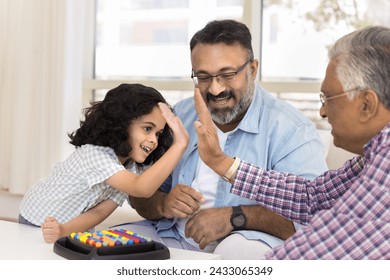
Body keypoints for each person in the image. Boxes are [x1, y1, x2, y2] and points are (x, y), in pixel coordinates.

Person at [119, 20, 328, 259]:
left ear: (252, 69)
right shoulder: (180, 116)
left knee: (236, 251)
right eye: (204, 77)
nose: (216, 89)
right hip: (171, 239)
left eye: (227, 75)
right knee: (100, 250)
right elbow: (138, 192)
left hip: (243, 248)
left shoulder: (292, 130)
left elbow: (316, 220)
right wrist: (162, 204)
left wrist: (235, 217)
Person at [193, 26, 390, 259]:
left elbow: (308, 257)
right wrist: (222, 163)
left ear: (367, 104)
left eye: (328, 98)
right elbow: (311, 198)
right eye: (204, 77)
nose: (323, 111)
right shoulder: (373, 155)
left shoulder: (385, 168)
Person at [19, 83, 189, 243]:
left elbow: (99, 212)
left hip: (64, 225)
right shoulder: (95, 155)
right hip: (38, 217)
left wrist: (64, 230)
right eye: (147, 129)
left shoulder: (130, 169)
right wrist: (180, 144)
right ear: (122, 124)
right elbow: (141, 188)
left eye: (158, 134)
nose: (153, 140)